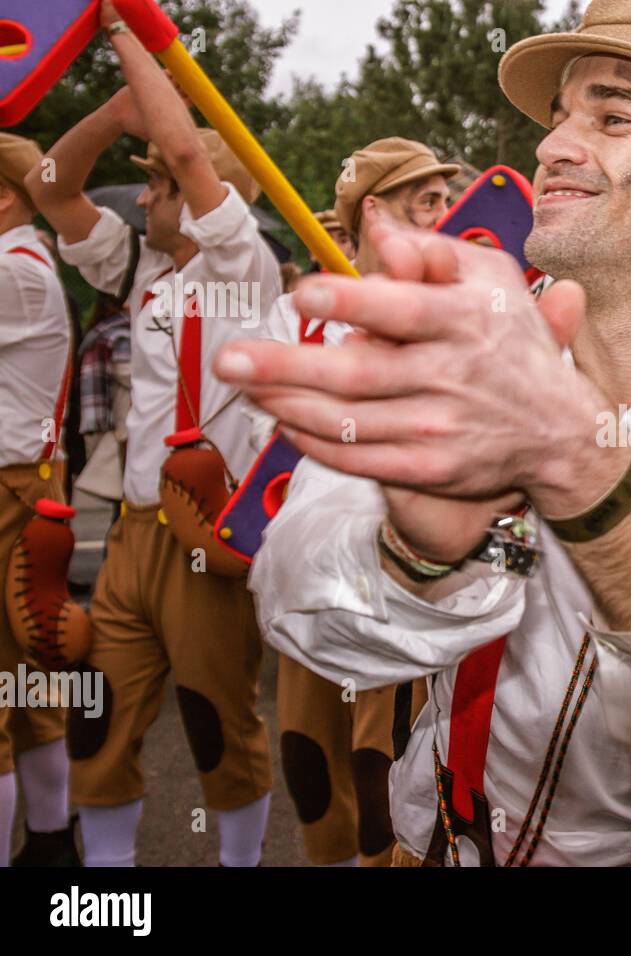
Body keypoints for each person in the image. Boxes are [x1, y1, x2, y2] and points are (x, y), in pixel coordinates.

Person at [226, 0, 631, 867]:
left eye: (613, 117)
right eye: (560, 116)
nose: (551, 146)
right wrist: (417, 552)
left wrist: (583, 468)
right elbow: (299, 607)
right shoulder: (453, 354)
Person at [25, 3, 281, 867]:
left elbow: (184, 152)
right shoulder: (141, 267)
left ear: (208, 198)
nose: (146, 195)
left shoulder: (243, 263)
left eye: (163, 190)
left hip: (202, 533)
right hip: (134, 535)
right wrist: (113, 113)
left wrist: (120, 30)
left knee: (217, 729)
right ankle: (104, 902)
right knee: (97, 717)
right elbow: (49, 187)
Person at [261, 138, 458, 867]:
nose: (445, 216)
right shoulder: (299, 316)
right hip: (313, 577)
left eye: (445, 200)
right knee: (309, 766)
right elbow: (272, 442)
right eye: (428, 201)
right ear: (374, 212)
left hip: (398, 585)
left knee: (384, 777)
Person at [0, 133, 78, 867]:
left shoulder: (11, 269)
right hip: (24, 480)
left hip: (9, 484)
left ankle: (49, 844)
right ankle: (51, 844)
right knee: (25, 680)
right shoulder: (25, 263)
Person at [75, 293, 132, 509]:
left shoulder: (99, 334)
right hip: (125, 433)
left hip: (116, 431)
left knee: (123, 513)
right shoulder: (120, 334)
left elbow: (93, 411)